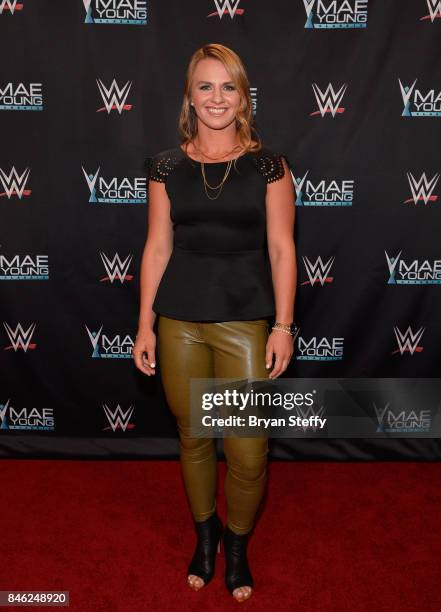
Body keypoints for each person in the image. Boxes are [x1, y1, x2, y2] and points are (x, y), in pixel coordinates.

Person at [133, 43, 296, 603]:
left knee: (249, 451)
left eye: (228, 86)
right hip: (177, 320)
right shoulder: (165, 166)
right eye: (206, 86)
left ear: (243, 95)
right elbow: (156, 249)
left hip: (245, 324)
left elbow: (281, 249)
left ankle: (239, 544)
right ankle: (206, 542)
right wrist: (145, 326)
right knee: (194, 437)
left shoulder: (269, 165)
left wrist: (283, 327)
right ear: (190, 96)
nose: (217, 98)